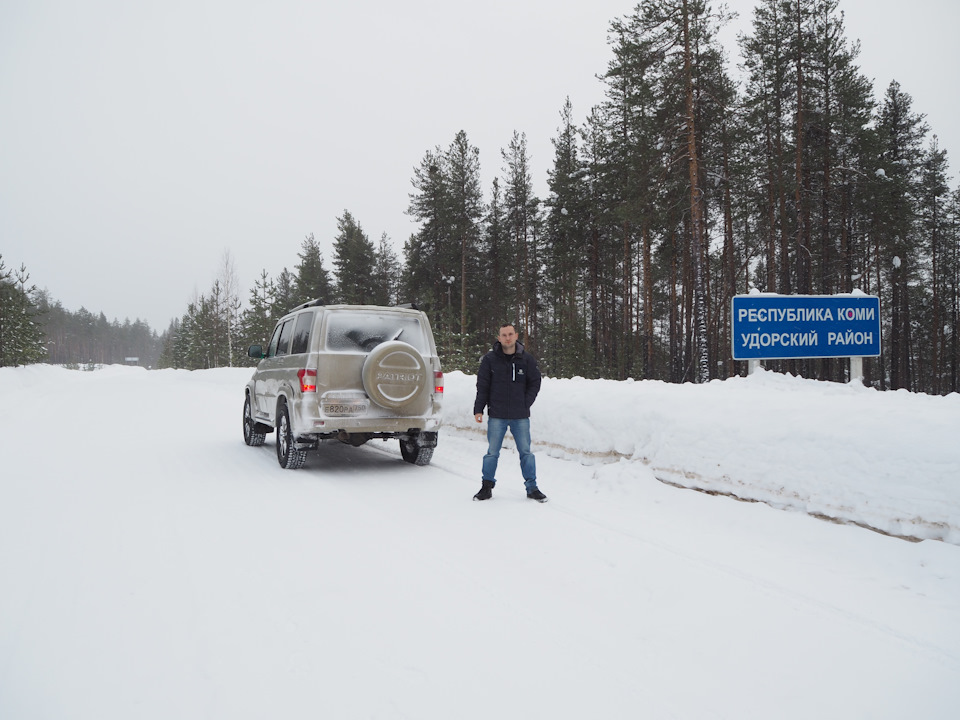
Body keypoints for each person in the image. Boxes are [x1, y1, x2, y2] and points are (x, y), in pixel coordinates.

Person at [472, 323, 547, 502]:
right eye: (504, 335)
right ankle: (486, 487)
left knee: (526, 452)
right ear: (499, 338)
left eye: (510, 334)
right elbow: (482, 386)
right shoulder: (490, 360)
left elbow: (535, 383)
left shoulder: (526, 359)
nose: (507, 338)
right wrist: (478, 409)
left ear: (516, 336)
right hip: (497, 414)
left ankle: (532, 487)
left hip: (520, 416)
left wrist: (525, 403)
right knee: (492, 452)